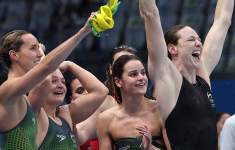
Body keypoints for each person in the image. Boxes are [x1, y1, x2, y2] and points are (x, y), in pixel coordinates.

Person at [138, 0, 234, 149]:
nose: (198, 43)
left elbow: (223, 21)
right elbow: (150, 14)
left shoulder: (202, 78)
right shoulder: (167, 79)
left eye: (199, 40)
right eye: (191, 40)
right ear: (172, 49)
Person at [0, 12, 94, 149]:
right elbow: (47, 67)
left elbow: (46, 79)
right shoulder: (7, 90)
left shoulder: (26, 100)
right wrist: (83, 31)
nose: (39, 54)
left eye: (39, 49)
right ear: (14, 55)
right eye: (33, 48)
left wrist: (41, 57)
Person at [96, 55, 171, 150]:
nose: (141, 78)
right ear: (118, 82)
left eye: (143, 73)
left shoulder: (161, 110)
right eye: (133, 74)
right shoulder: (105, 119)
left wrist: (150, 148)